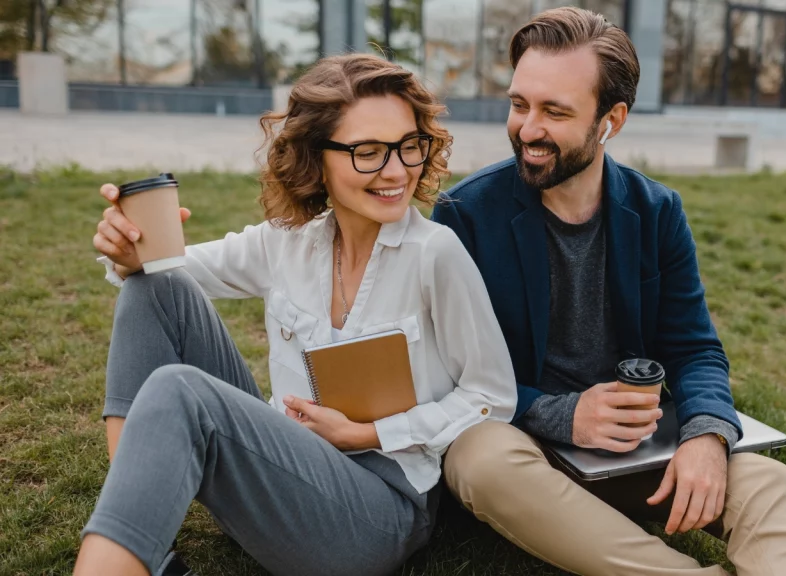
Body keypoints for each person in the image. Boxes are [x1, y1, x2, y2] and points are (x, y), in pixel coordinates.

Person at [74, 53, 517, 576]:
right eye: (368, 152)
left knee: (181, 391)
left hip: (379, 508)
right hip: (282, 473)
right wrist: (128, 252)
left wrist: (370, 434)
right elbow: (166, 269)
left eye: (407, 146)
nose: (396, 171)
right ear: (316, 158)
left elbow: (492, 398)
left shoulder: (434, 254)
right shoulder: (287, 242)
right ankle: (142, 527)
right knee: (154, 286)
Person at [434, 7, 786, 576]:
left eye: (554, 111)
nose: (527, 128)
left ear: (611, 119)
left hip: (637, 447)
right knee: (478, 459)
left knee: (767, 480)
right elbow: (440, 374)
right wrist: (560, 415)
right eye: (519, 104)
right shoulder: (464, 214)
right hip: (525, 451)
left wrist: (706, 437)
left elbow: (695, 348)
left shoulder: (657, 210)